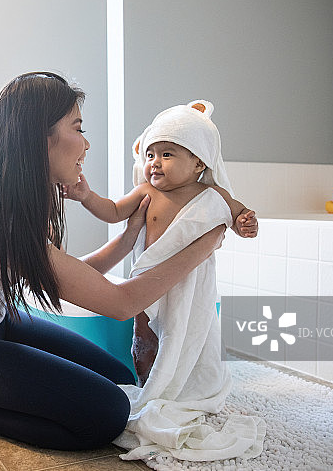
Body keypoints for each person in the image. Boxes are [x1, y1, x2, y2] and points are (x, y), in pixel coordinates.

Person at [0, 72, 226, 451]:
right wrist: (204, 244)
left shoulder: (12, 198)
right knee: (106, 414)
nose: (86, 143)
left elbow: (70, 276)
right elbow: (122, 304)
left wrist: (129, 236)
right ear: (40, 137)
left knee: (120, 378)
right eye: (78, 128)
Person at [63, 100, 257, 384]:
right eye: (150, 154)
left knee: (190, 333)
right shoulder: (146, 192)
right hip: (147, 282)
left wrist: (246, 223)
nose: (154, 162)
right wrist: (87, 197)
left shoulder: (212, 195)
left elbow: (238, 214)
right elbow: (113, 211)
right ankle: (147, 383)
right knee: (144, 334)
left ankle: (183, 383)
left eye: (166, 154)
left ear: (198, 162)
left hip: (188, 283)